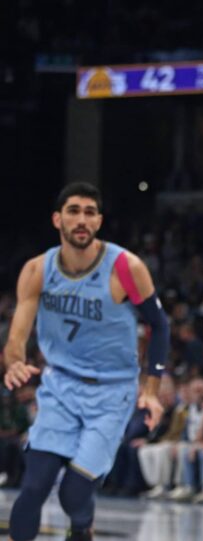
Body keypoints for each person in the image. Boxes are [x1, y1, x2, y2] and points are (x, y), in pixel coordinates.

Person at [3, 182, 168, 541]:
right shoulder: (37, 270)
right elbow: (17, 335)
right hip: (60, 386)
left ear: (99, 221)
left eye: (90, 212)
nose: (82, 219)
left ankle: (82, 529)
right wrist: (14, 361)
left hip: (111, 391)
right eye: (74, 211)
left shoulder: (125, 267)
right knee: (34, 486)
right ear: (57, 219)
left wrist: (150, 391)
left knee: (73, 493)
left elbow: (159, 325)